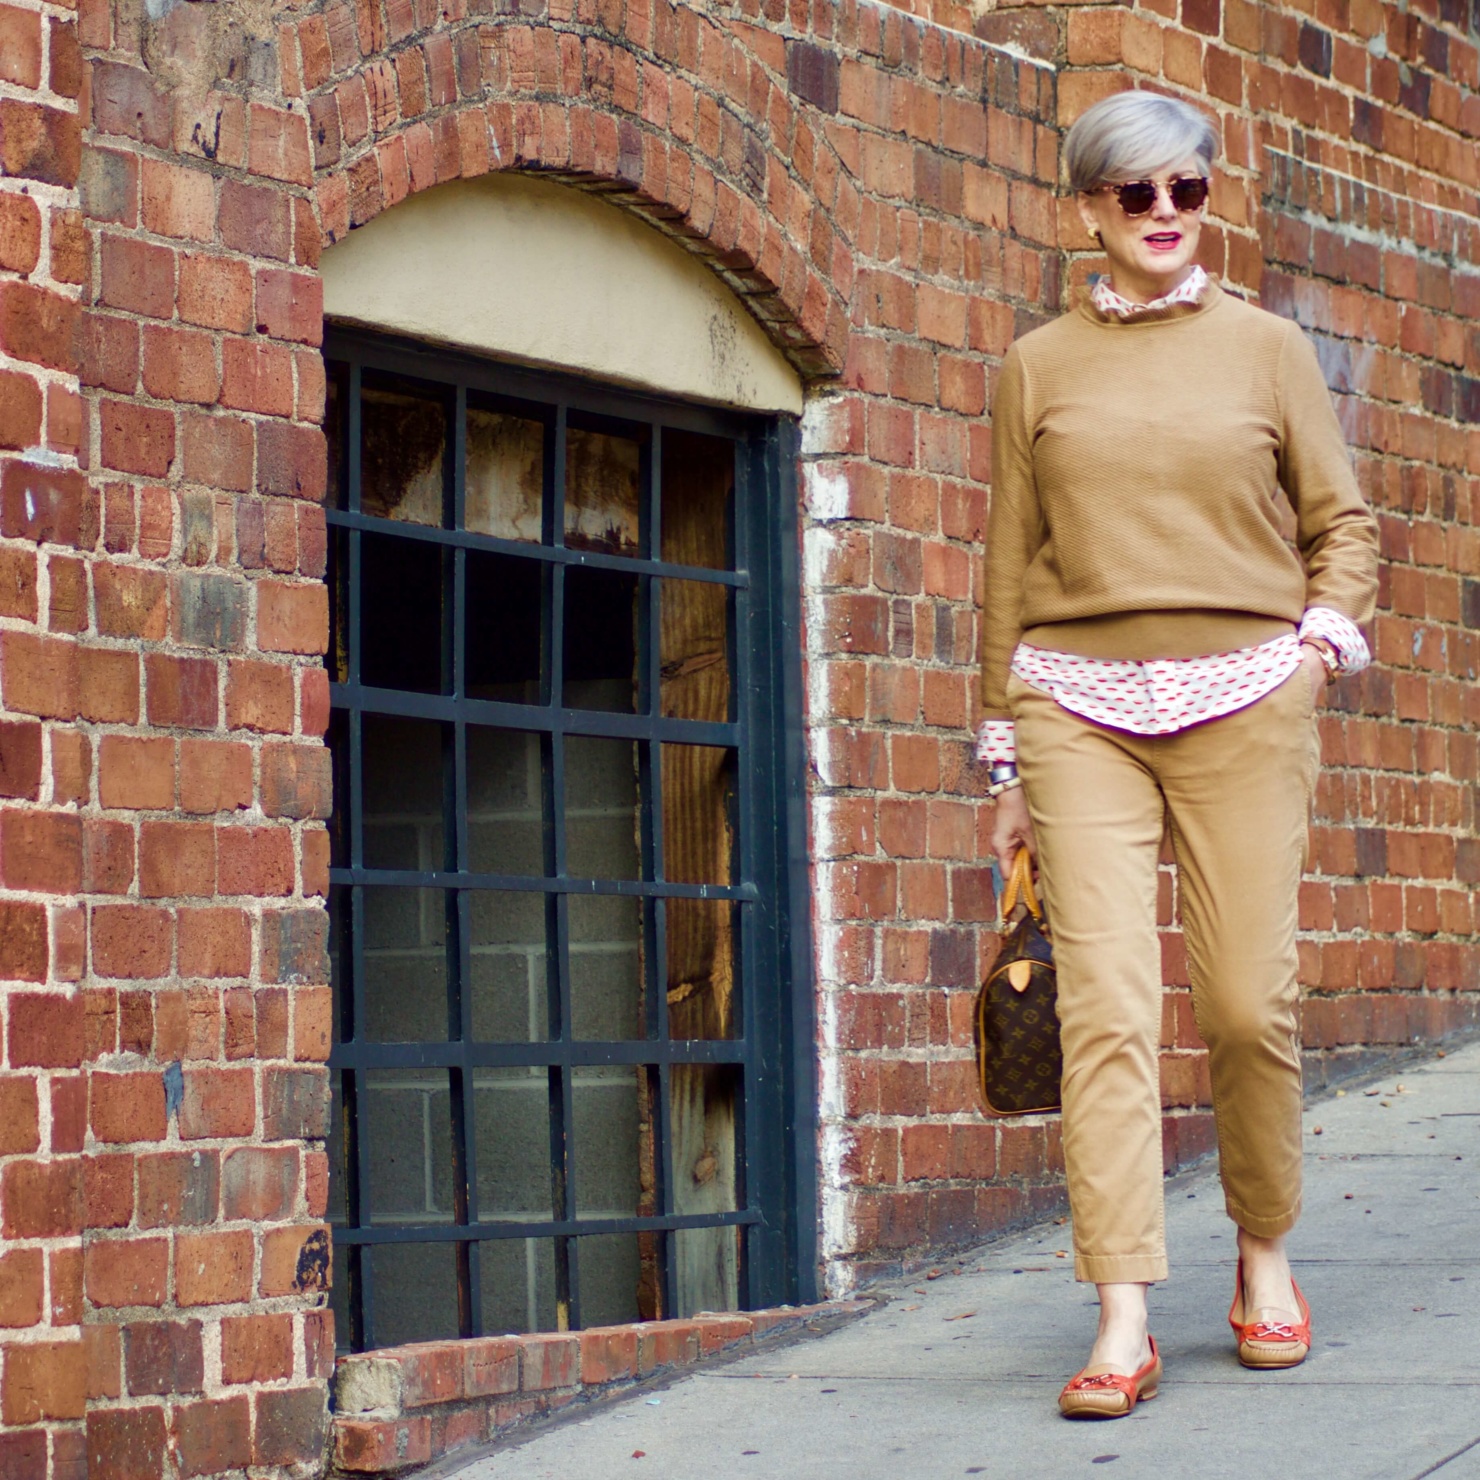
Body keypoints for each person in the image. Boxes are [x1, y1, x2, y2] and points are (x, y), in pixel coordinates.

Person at [977, 90, 1379, 1419]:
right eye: (1133, 194)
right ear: (1089, 207)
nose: (1162, 215)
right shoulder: (1035, 366)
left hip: (1244, 695)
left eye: (1185, 192)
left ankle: (1265, 1252)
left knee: (1248, 1007)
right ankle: (1123, 1309)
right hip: (1076, 705)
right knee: (1104, 1008)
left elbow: (1345, 523)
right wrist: (1005, 764)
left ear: (1209, 199)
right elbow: (1008, 564)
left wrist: (1320, 639)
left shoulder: (1266, 351)